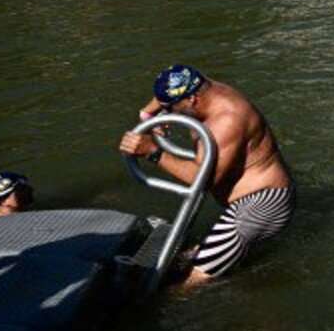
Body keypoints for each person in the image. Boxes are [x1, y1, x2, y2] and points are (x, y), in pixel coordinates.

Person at [118, 65, 294, 287]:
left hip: (262, 205)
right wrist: (147, 114)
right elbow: (167, 86)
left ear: (191, 99)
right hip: (243, 201)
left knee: (192, 281)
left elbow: (203, 180)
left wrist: (153, 152)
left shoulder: (226, 121)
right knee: (188, 260)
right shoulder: (199, 85)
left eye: (172, 108)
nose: (169, 113)